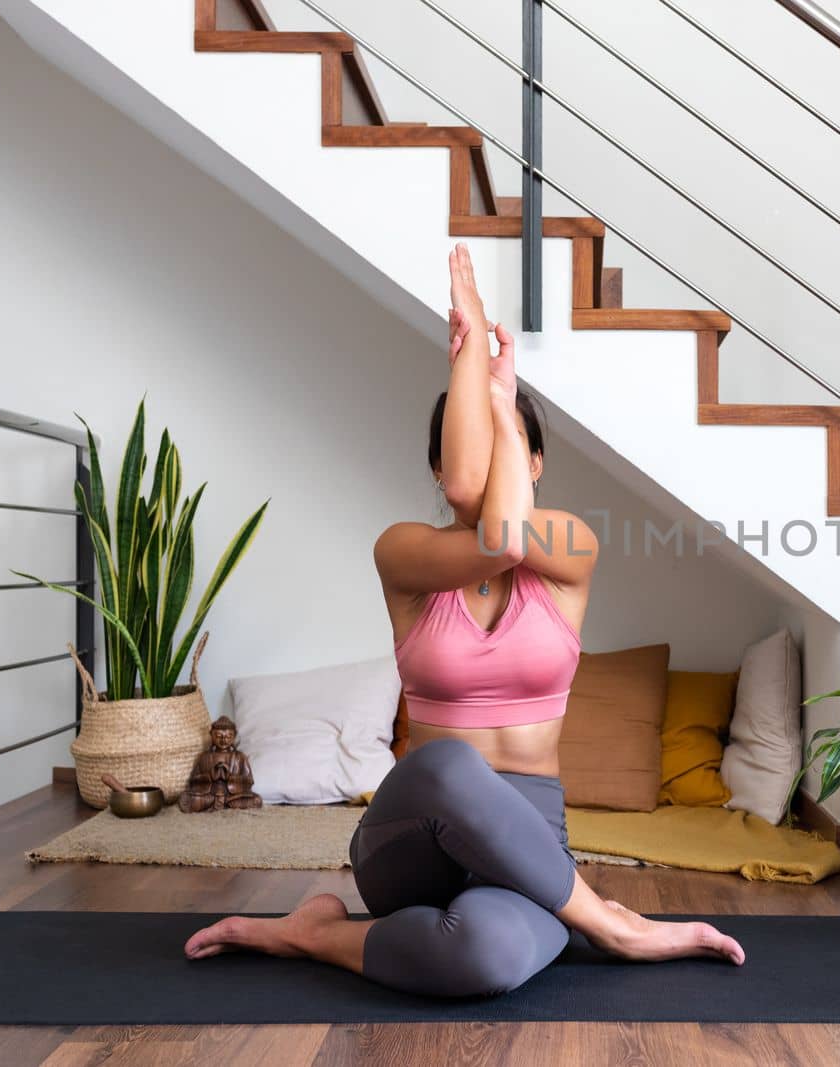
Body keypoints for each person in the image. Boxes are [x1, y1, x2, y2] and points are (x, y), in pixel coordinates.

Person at [184, 244, 744, 997]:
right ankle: (612, 921)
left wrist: (502, 402)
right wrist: (473, 352)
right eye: (464, 440)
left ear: (534, 462)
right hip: (409, 836)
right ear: (439, 464)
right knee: (452, 765)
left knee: (482, 957)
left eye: (504, 440)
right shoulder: (404, 554)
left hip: (530, 836)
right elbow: (488, 525)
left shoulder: (572, 545)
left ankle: (318, 935)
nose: (480, 462)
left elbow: (509, 529)